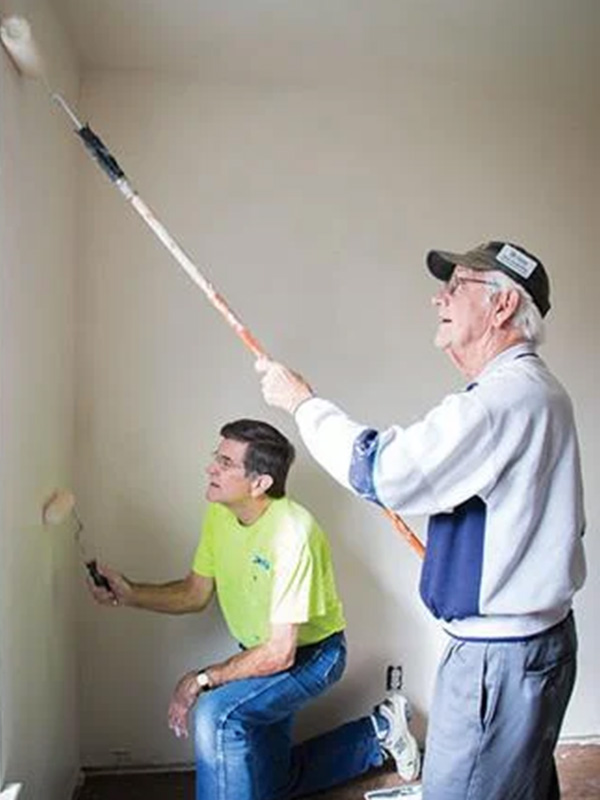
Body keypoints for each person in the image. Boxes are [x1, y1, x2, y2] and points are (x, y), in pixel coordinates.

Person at [257, 241, 587, 800]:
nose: (440, 298)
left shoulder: (497, 402)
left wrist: (302, 404)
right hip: (539, 645)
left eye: (458, 285)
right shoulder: (542, 392)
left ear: (503, 305)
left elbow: (381, 472)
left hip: (496, 664)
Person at [87, 418, 421, 799]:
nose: (211, 467)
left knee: (217, 716)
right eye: (216, 457)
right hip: (264, 653)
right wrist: (130, 593)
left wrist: (200, 680)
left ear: (259, 483)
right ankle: (379, 732)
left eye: (226, 463)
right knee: (270, 785)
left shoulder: (293, 533)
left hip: (314, 656)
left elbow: (282, 653)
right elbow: (195, 593)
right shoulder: (221, 513)